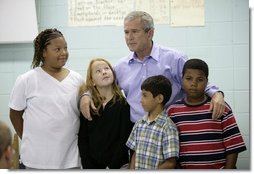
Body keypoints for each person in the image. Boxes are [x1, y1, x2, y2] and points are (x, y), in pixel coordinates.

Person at [80, 11, 225, 123]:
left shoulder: (174, 58)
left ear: (150, 33)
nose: (129, 37)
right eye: (126, 32)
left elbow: (195, 82)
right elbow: (100, 86)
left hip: (171, 128)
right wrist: (86, 96)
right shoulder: (121, 67)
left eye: (135, 31)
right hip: (137, 131)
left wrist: (217, 94)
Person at [8, 28, 83, 169]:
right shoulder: (26, 80)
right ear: (43, 52)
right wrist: (28, 138)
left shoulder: (77, 79)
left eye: (65, 48)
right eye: (57, 49)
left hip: (69, 159)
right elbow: (14, 114)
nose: (64, 53)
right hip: (36, 159)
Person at [167, 58, 247, 169]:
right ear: (182, 79)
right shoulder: (172, 111)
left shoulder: (220, 107)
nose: (194, 84)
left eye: (199, 79)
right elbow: (171, 148)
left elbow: (233, 145)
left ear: (207, 81)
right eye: (189, 78)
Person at [78, 58, 133, 169]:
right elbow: (83, 139)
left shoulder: (123, 104)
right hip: (92, 166)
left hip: (118, 165)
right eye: (98, 71)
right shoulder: (88, 105)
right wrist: (88, 166)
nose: (104, 72)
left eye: (107, 68)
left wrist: (111, 167)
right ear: (92, 80)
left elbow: (124, 140)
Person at [126, 75, 179, 169]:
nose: (140, 100)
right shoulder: (139, 124)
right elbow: (134, 153)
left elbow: (171, 162)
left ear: (159, 99)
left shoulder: (168, 127)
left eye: (145, 95)